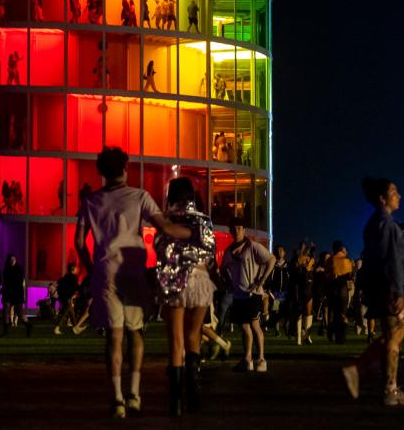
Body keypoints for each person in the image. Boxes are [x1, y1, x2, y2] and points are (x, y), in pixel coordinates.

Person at [75, 146, 190, 418]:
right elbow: (166, 227)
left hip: (105, 269)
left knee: (114, 337)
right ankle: (134, 395)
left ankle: (116, 399)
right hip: (133, 268)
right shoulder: (139, 196)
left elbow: (80, 242)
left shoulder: (90, 201)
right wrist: (192, 233)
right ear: (125, 169)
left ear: (102, 171)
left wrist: (92, 269)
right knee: (135, 333)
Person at [340, 177, 404, 406]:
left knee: (393, 335)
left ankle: (383, 383)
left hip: (379, 286)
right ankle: (384, 386)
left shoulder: (373, 224)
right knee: (394, 336)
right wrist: (398, 292)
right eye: (394, 192)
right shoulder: (388, 225)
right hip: (388, 288)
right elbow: (391, 260)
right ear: (383, 198)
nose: (399, 196)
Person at [155, 176, 218, 415]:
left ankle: (176, 402)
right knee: (194, 337)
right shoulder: (203, 220)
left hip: (175, 281)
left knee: (176, 341)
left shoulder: (167, 220)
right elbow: (210, 250)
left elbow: (159, 247)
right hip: (200, 280)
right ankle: (194, 395)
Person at [220, 220, 275, 372]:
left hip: (253, 294)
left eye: (239, 228)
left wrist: (261, 280)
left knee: (255, 325)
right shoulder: (229, 250)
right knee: (244, 327)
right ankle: (247, 359)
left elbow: (271, 259)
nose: (236, 231)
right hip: (238, 294)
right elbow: (223, 268)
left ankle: (262, 359)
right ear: (230, 231)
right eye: (234, 228)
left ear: (244, 230)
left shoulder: (252, 246)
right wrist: (228, 282)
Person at [327, 241, 354, 343]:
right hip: (343, 289)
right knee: (342, 314)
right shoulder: (347, 260)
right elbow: (350, 276)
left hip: (332, 289)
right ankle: (341, 337)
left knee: (334, 313)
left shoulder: (330, 260)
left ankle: (332, 330)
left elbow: (327, 275)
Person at [1, 254, 29, 336]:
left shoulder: (19, 270)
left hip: (16, 293)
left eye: (14, 259)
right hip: (8, 293)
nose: (12, 261)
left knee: (19, 313)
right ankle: (6, 330)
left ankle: (28, 325)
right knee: (6, 311)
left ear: (16, 260)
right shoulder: (7, 270)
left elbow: (19, 283)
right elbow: (5, 282)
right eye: (11, 259)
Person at [54, 263, 80, 335]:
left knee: (71, 312)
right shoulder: (73, 277)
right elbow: (75, 287)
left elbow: (59, 282)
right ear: (73, 269)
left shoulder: (66, 276)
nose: (77, 270)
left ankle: (75, 327)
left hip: (63, 296)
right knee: (65, 312)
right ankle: (57, 327)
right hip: (67, 297)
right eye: (76, 268)